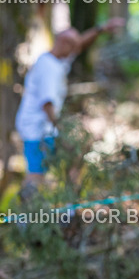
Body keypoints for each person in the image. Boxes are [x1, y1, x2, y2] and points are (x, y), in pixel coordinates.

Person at [15, 19, 125, 195]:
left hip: (47, 126)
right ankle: (27, 215)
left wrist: (101, 29)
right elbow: (47, 104)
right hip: (36, 128)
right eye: (73, 47)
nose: (76, 51)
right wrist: (63, 132)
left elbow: (80, 43)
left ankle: (68, 206)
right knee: (36, 173)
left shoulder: (58, 58)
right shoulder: (48, 68)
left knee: (74, 157)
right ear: (64, 44)